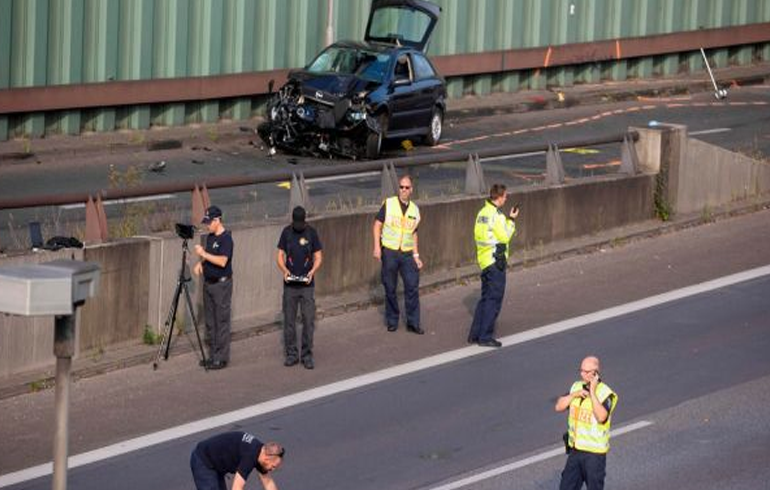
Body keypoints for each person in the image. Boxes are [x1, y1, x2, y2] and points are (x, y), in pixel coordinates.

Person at [554, 356, 618, 490]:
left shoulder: (606, 393)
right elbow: (558, 406)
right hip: (576, 452)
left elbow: (601, 417)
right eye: (581, 371)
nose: (582, 374)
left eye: (586, 371)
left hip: (594, 455)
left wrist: (592, 392)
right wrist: (573, 395)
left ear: (595, 373)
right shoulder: (576, 387)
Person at [467, 184, 518, 347]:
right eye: (505, 196)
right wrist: (511, 220)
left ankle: (474, 334)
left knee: (485, 299)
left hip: (484, 261)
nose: (506, 199)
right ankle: (485, 336)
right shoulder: (497, 216)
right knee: (493, 300)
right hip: (496, 262)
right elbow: (505, 237)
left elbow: (477, 236)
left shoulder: (481, 213)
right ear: (500, 197)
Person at [372, 174, 424, 334]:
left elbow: (414, 233)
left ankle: (413, 322)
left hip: (408, 254)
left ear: (411, 190)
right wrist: (377, 247)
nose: (403, 190)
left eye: (406, 187)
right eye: (401, 187)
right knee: (390, 288)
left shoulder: (415, 209)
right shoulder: (389, 204)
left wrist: (416, 256)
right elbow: (376, 225)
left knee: (412, 287)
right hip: (390, 252)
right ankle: (392, 320)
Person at [276, 206, 323, 370]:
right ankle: (291, 354)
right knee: (289, 321)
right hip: (290, 285)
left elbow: (318, 257)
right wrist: (284, 270)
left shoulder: (311, 233)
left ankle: (307, 355)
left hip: (307, 285)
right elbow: (279, 255)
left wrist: (312, 271)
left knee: (308, 321)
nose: (298, 226)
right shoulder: (286, 233)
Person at [193, 205, 234, 370]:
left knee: (221, 321)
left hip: (221, 284)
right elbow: (210, 258)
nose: (207, 225)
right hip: (208, 284)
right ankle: (212, 355)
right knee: (210, 322)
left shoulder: (226, 239)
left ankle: (221, 358)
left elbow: (222, 261)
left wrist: (203, 254)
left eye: (209, 222)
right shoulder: (210, 238)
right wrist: (200, 263)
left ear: (217, 220)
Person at [190, 431, 284, 490]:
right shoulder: (250, 456)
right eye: (273, 466)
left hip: (217, 466)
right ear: (267, 458)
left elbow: (268, 483)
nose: (273, 469)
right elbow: (236, 488)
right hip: (203, 461)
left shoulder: (262, 452)